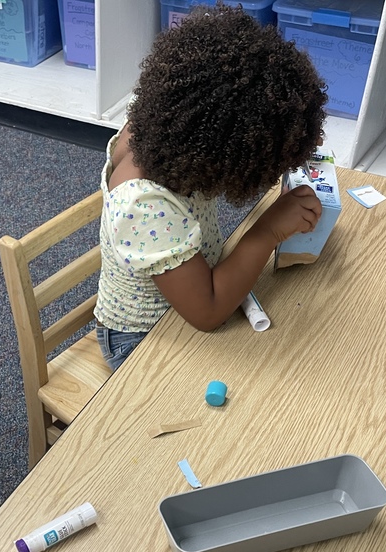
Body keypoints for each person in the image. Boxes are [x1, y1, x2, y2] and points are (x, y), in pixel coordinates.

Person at [95, 4, 329, 370]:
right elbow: (207, 313)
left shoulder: (164, 129)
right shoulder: (142, 204)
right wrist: (267, 231)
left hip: (190, 292)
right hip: (142, 339)